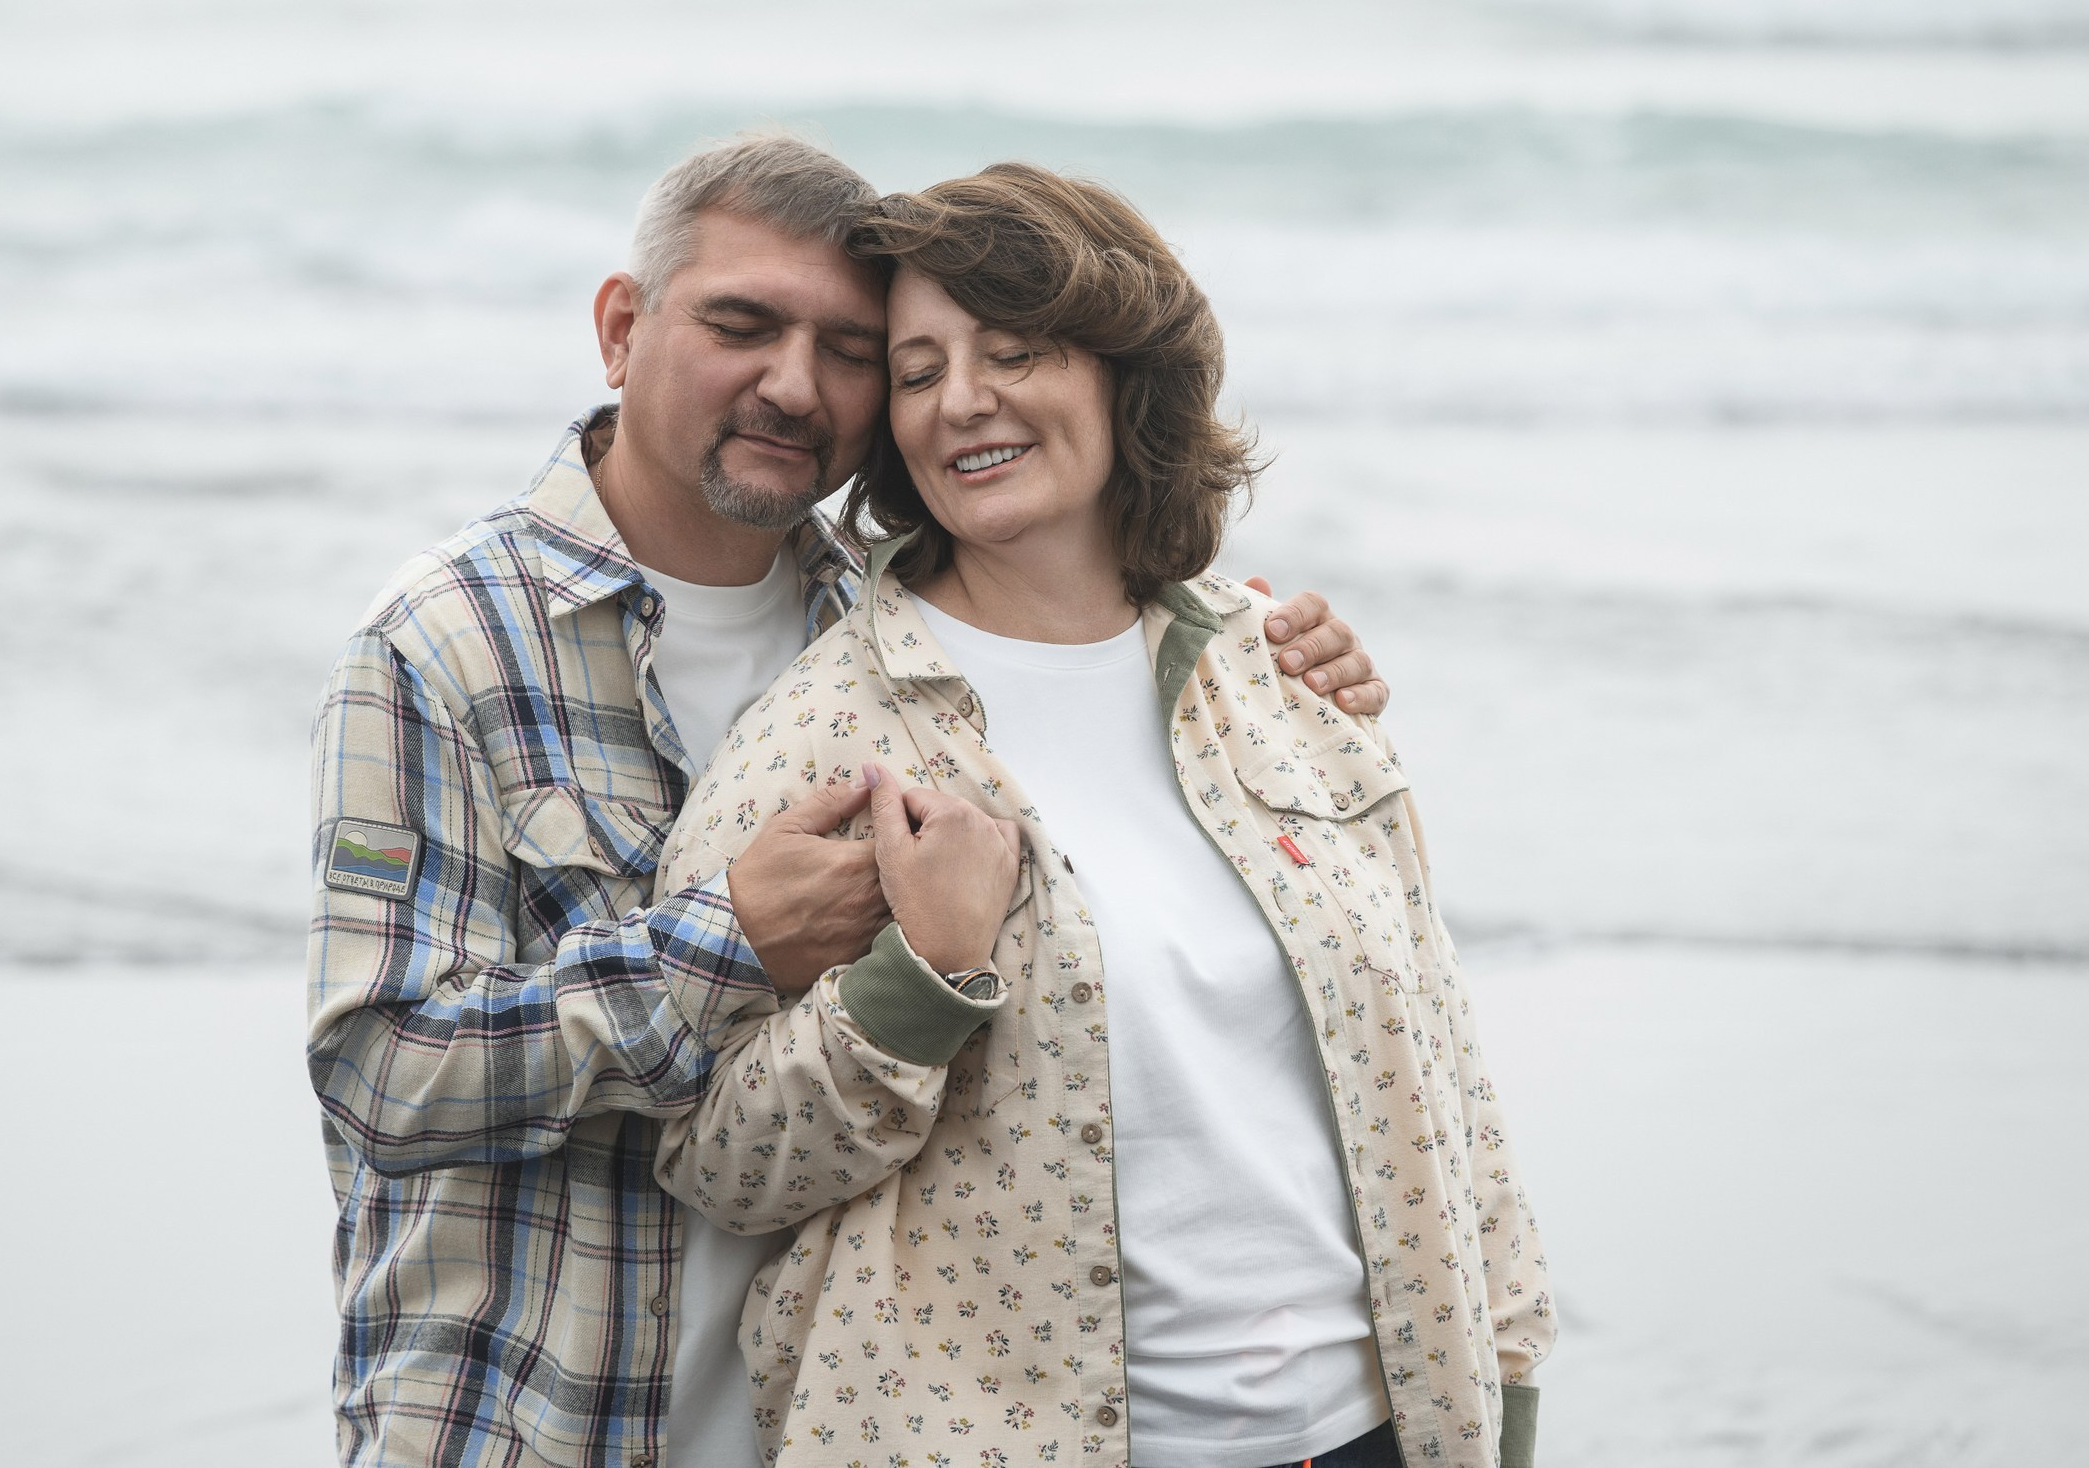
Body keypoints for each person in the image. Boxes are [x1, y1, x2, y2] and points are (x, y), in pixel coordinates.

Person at [306, 135, 1393, 1468]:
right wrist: (725, 944)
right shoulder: (445, 641)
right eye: (742, 324)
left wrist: (1259, 649)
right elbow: (381, 1074)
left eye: (852, 349)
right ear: (621, 327)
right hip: (543, 1421)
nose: (794, 383)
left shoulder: (895, 625)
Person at [651, 164, 1555, 1468]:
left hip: (1382, 1436)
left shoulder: (1278, 674)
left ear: (1124, 372)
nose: (961, 401)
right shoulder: (833, 731)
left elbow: (1446, 1084)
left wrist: (1504, 1398)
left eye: (1014, 350)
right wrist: (921, 983)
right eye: (915, 370)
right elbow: (716, 1156)